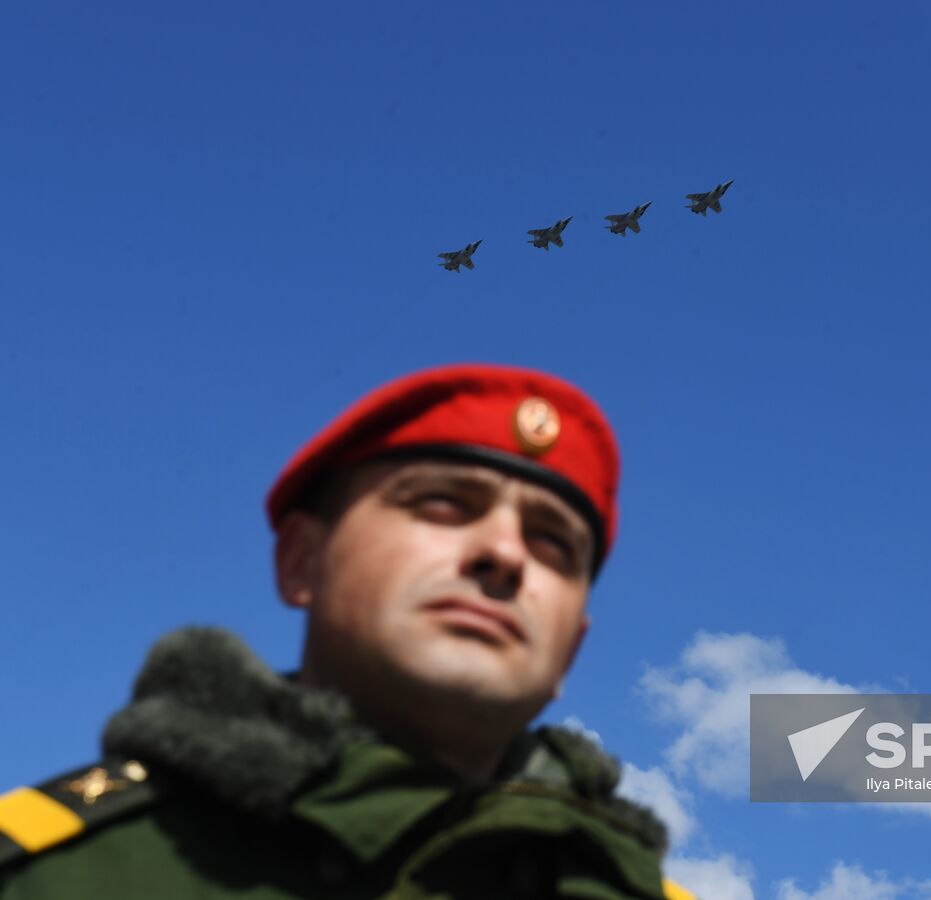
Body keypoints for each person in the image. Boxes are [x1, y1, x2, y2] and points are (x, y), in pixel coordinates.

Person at [0, 363, 694, 900]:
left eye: (552, 545)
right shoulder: (53, 874)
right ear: (301, 561)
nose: (506, 554)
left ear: (571, 648)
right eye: (444, 502)